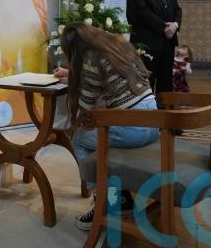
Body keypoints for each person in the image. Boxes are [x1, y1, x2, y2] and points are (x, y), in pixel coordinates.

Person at [53, 22, 159, 231]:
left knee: (78, 138)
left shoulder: (90, 58)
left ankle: (103, 202)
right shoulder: (117, 43)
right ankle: (121, 198)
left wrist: (76, 85)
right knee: (100, 140)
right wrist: (74, 75)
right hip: (153, 123)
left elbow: (87, 110)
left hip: (131, 130)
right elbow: (113, 81)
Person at [128, 0, 182, 96]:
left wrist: (175, 25)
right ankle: (149, 109)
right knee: (147, 80)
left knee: (165, 81)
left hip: (168, 42)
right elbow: (142, 11)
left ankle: (165, 108)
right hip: (149, 41)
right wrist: (164, 27)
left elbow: (177, 9)